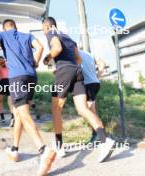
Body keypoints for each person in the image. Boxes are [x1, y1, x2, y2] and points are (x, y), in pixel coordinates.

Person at [42, 17, 115, 162]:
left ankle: (59, 146)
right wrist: (68, 69)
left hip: (66, 71)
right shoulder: (68, 37)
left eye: (43, 29)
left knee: (56, 108)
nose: (44, 32)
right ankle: (105, 140)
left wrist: (47, 58)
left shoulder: (52, 33)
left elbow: (57, 48)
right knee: (82, 109)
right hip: (77, 71)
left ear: (47, 27)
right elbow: (78, 59)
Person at [0, 19, 56, 175]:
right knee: (19, 112)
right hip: (31, 76)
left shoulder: (1, 35)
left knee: (23, 113)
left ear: (4, 27)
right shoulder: (27, 36)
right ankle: (14, 148)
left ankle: (43, 149)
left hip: (17, 77)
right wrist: (35, 61)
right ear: (15, 26)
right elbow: (40, 47)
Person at [80, 50, 105, 142]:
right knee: (89, 109)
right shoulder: (90, 54)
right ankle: (98, 133)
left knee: (90, 109)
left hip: (88, 83)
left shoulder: (73, 53)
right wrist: (98, 75)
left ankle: (99, 134)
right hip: (94, 82)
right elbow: (102, 63)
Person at [0, 56, 14, 126]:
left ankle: (2, 118)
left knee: (0, 101)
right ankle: (12, 117)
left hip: (2, 82)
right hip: (10, 82)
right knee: (10, 102)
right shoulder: (9, 64)